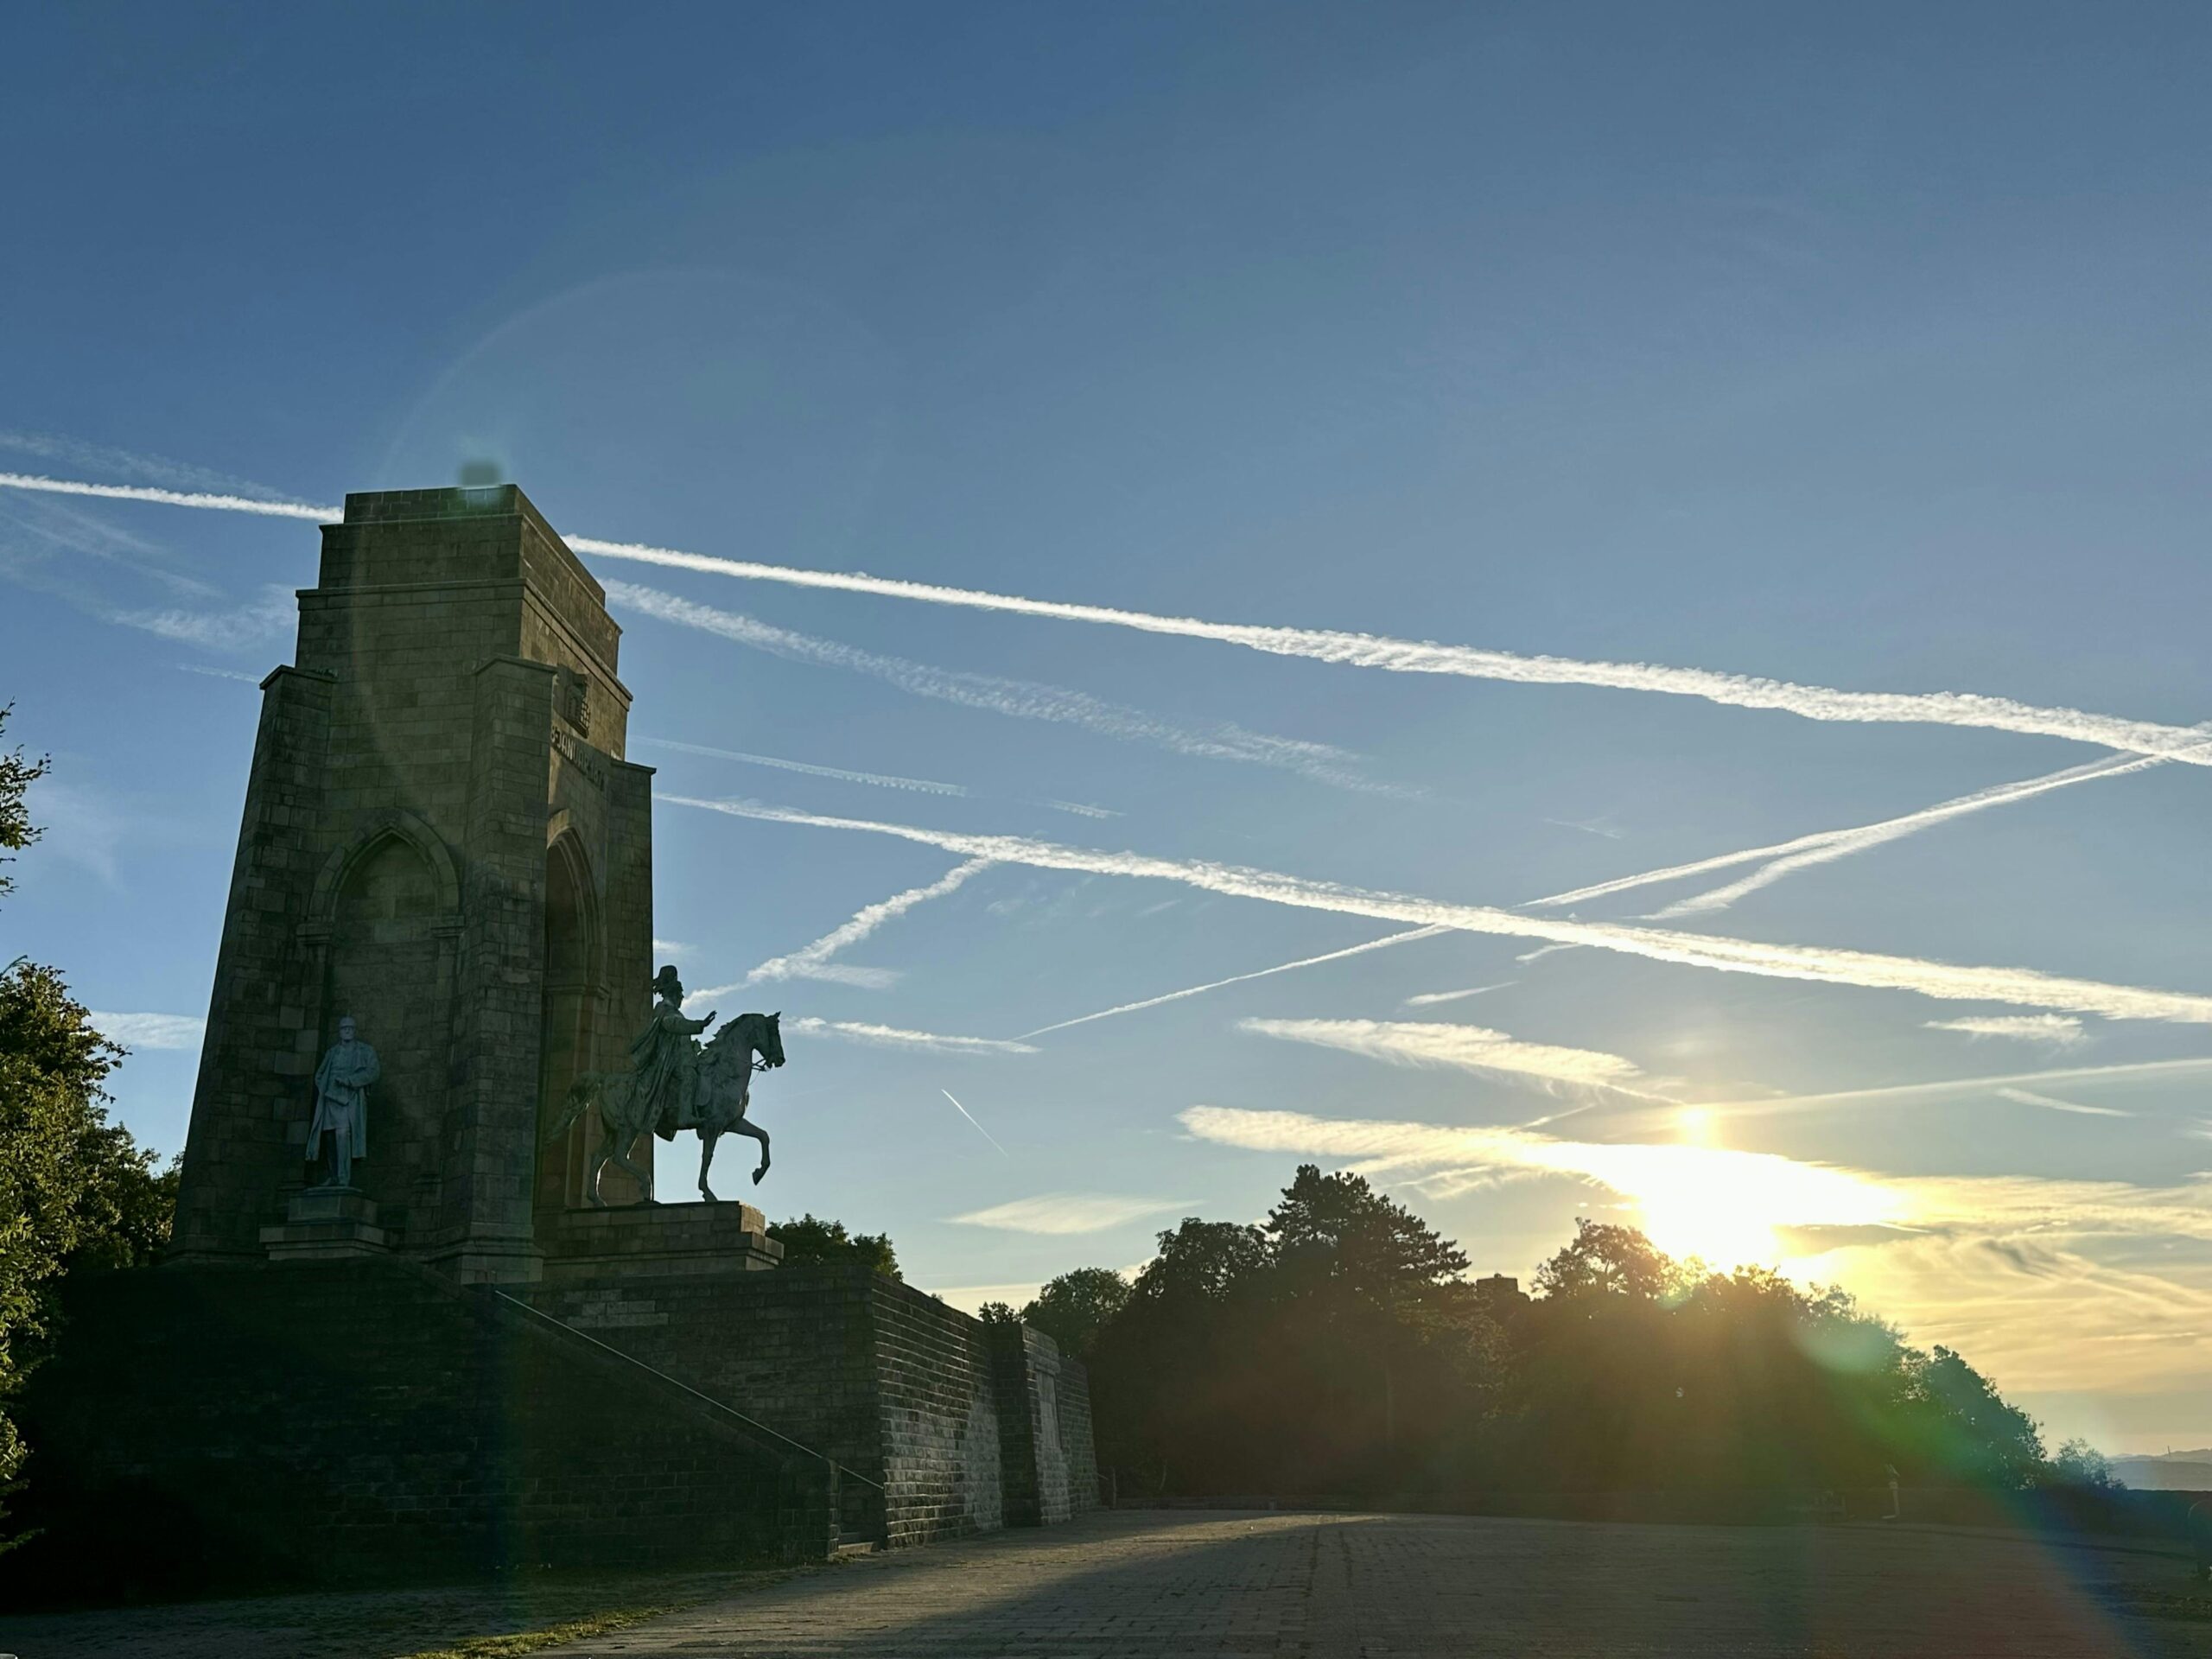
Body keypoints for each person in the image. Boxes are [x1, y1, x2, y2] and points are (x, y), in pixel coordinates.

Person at [632, 964, 715, 1136]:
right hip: (668, 1059)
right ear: (674, 995)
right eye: (680, 995)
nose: (683, 998)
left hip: (682, 1057)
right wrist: (700, 1024)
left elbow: (681, 1039)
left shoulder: (673, 1011)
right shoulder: (664, 1009)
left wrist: (695, 1048)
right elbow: (673, 1025)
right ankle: (685, 1115)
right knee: (689, 1076)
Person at [308, 1014, 379, 1188]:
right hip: (331, 1101)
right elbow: (319, 1074)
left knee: (343, 1136)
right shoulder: (332, 1053)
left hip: (349, 1101)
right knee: (329, 1138)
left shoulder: (364, 1051)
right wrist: (325, 1089)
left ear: (354, 1031)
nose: (347, 1031)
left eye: (350, 1028)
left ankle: (343, 1177)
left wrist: (349, 1081)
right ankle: (333, 1176)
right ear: (340, 1031)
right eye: (344, 1028)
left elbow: (373, 1072)